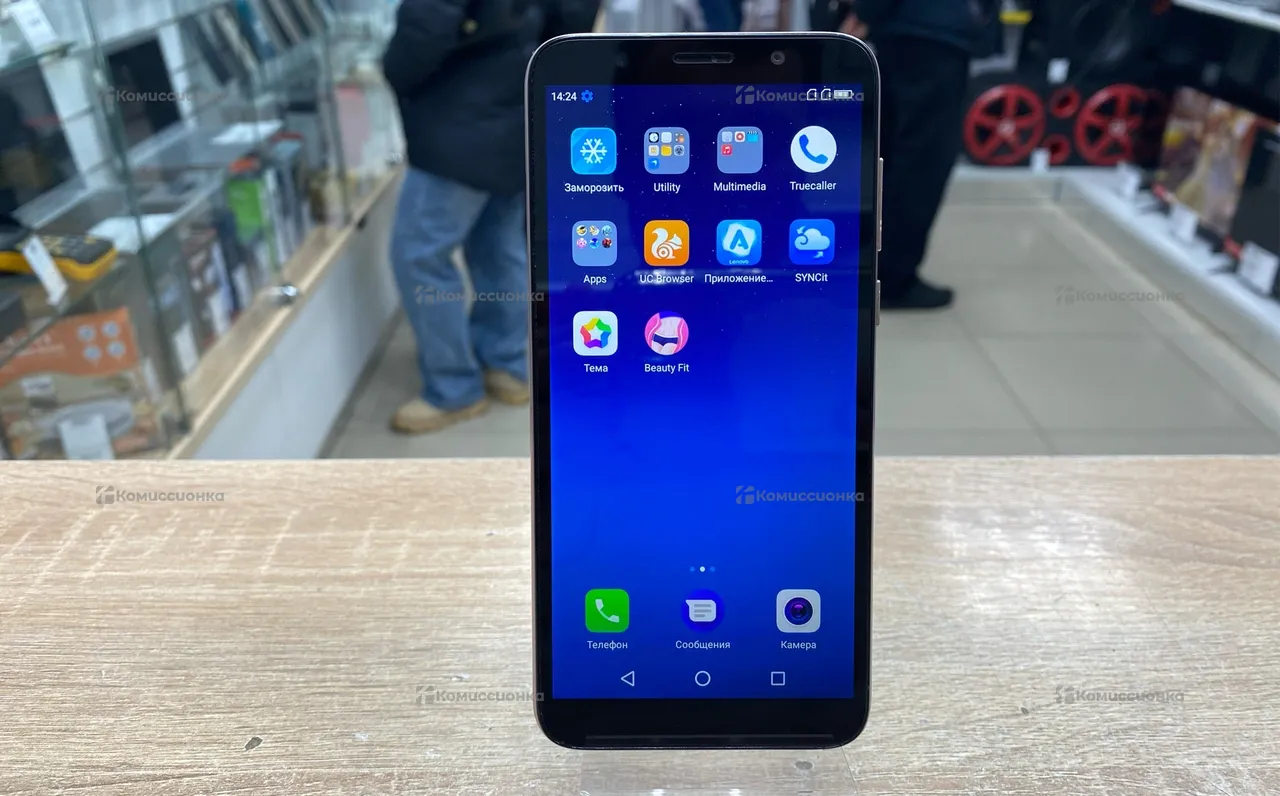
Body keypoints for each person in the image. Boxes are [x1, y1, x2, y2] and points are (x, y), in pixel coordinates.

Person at [382, 0, 599, 434]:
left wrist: (395, 72)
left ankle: (453, 388)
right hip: (514, 102)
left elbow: (424, 30)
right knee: (499, 245)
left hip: (459, 116)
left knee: (420, 256)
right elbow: (573, 15)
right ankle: (506, 363)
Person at [816, 0, 1000, 309]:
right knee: (921, 159)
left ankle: (872, 264)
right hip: (930, 32)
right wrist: (866, 12)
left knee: (891, 152)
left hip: (904, 29)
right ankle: (892, 278)